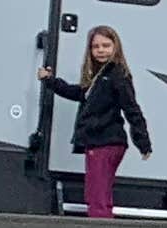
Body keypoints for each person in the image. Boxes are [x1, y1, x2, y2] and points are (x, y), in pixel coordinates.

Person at [38, 26, 154, 216]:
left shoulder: (117, 76)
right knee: (101, 194)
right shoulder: (100, 76)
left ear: (116, 47)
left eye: (106, 46)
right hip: (102, 142)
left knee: (96, 195)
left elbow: (132, 109)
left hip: (105, 142)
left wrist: (143, 142)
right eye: (95, 46)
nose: (101, 50)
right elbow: (78, 92)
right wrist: (51, 81)